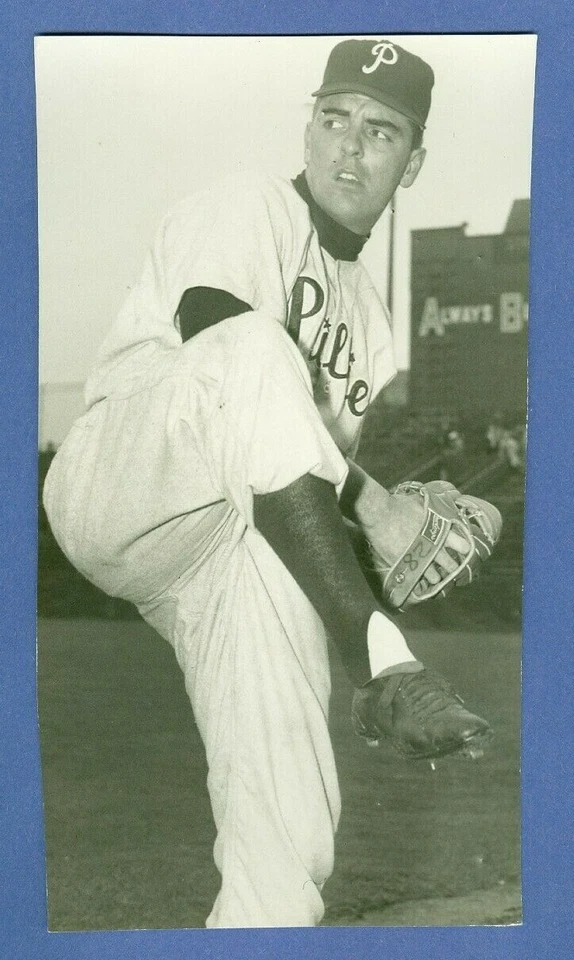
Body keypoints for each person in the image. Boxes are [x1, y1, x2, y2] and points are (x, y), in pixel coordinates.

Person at [43, 38, 492, 928]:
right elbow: (221, 345)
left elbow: (294, 480)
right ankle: (387, 664)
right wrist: (383, 506)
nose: (349, 147)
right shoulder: (243, 207)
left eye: (380, 131)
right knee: (253, 345)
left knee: (288, 838)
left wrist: (377, 520)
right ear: (309, 124)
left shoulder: (372, 324)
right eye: (332, 119)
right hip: (126, 474)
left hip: (229, 551)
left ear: (415, 162)